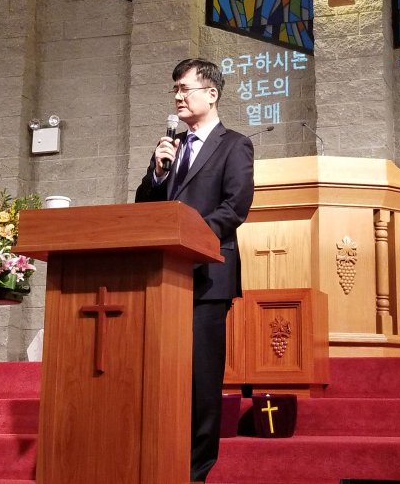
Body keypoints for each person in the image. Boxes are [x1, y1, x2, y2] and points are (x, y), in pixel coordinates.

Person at [135, 58, 255, 482]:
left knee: (202, 379)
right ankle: (160, 459)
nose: (178, 96)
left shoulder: (234, 145)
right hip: (165, 276)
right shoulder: (171, 147)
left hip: (208, 276)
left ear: (212, 93)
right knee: (162, 373)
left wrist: (190, 236)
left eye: (184, 88)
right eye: (175, 90)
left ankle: (195, 472)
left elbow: (235, 207)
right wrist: (157, 174)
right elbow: (145, 208)